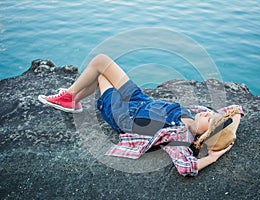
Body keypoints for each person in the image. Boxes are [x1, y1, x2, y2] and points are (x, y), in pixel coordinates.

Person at [38, 54, 243, 176]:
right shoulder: (199, 116)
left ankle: (70, 97)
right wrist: (230, 130)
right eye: (213, 115)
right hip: (140, 100)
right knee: (101, 63)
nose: (210, 114)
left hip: (123, 115)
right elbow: (236, 110)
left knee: (100, 70)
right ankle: (72, 99)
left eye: (211, 120)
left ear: (205, 136)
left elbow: (186, 167)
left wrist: (215, 157)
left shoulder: (181, 138)